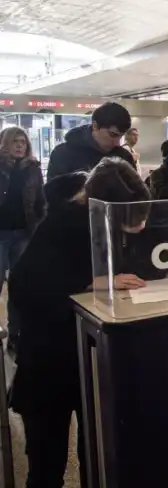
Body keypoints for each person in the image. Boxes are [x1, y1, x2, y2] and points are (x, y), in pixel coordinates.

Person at [9, 158, 150, 488]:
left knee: (97, 457)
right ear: (105, 209)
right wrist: (92, 281)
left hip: (90, 360)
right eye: (129, 219)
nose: (138, 226)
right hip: (50, 361)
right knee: (47, 464)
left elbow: (133, 263)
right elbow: (25, 287)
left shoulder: (98, 217)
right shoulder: (61, 224)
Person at [0, 127, 45, 351]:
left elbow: (40, 200)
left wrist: (40, 226)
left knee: (18, 285)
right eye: (15, 142)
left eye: (23, 142)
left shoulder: (33, 169)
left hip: (24, 233)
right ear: (5, 144)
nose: (20, 146)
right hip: (1, 234)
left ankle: (16, 332)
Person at [47, 102, 135, 180]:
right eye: (113, 135)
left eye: (121, 136)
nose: (117, 143)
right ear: (95, 126)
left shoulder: (124, 157)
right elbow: (52, 196)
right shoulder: (62, 155)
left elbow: (137, 196)